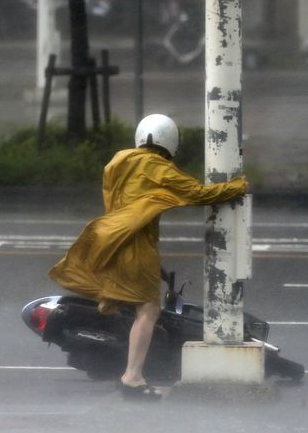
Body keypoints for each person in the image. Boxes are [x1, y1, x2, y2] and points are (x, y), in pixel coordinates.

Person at [48, 113, 247, 400]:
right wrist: (237, 187)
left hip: (113, 240)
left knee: (130, 305)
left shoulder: (117, 162)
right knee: (148, 311)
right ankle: (132, 375)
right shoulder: (158, 167)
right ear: (170, 142)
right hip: (138, 245)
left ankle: (126, 365)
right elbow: (199, 193)